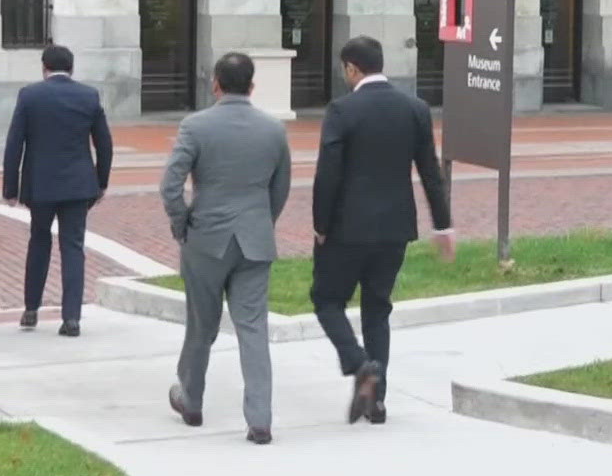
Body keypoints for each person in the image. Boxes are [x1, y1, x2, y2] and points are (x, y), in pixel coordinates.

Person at [310, 35, 452, 425]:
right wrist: (443, 225)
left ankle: (360, 366)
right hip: (395, 228)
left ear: (353, 69)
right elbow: (430, 173)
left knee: (327, 300)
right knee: (378, 309)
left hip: (345, 230)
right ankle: (378, 401)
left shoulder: (342, 110)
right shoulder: (415, 108)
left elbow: (328, 175)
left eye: (345, 69)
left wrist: (320, 225)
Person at [159, 53, 293, 446]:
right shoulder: (273, 129)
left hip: (206, 239)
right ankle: (260, 419)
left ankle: (192, 400)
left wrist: (182, 223)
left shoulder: (196, 126)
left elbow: (170, 185)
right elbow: (280, 188)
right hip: (254, 238)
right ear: (252, 86)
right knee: (253, 330)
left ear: (215, 83)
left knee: (201, 325)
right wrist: (263, 222)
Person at [3, 44, 113, 337]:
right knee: (73, 247)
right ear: (72, 68)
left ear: (44, 68)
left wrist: (10, 187)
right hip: (78, 184)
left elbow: (15, 143)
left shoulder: (30, 95)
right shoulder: (88, 96)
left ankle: (31, 308)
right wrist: (101, 182)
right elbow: (104, 143)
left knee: (38, 242)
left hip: (40, 184)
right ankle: (72, 317)